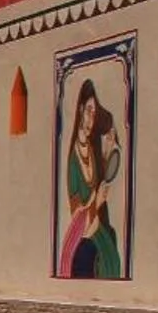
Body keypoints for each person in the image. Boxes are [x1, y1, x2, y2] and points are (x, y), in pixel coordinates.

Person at [60, 81, 123, 278]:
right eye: (88, 111)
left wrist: (108, 149)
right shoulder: (73, 162)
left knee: (112, 256)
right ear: (79, 110)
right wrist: (96, 202)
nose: (90, 119)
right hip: (85, 232)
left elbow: (101, 178)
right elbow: (77, 215)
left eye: (94, 114)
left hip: (98, 228)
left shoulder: (92, 152)